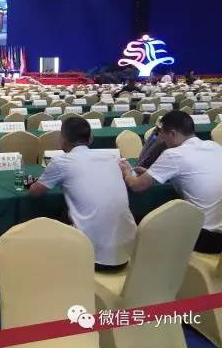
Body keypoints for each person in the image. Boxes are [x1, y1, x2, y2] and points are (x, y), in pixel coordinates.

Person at [29, 117, 137, 271]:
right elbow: (132, 176)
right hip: (127, 253)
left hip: (88, 257)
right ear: (91, 138)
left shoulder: (61, 162)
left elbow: (35, 192)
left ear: (62, 140)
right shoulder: (113, 159)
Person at [119, 110, 222, 254]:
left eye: (163, 136)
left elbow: (136, 186)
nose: (163, 141)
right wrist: (153, 173)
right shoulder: (215, 146)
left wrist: (126, 172)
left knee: (143, 221)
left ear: (172, 134)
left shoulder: (174, 154)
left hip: (204, 236)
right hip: (217, 232)